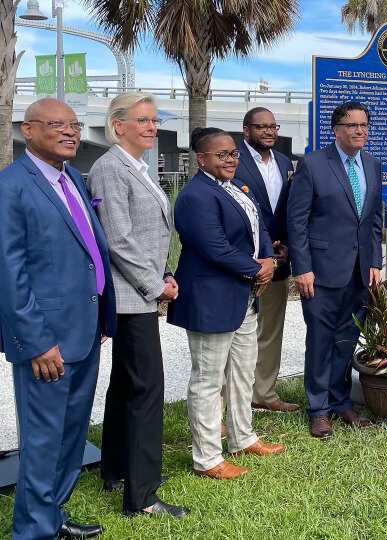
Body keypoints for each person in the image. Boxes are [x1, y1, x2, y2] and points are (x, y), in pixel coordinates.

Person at [0, 98, 116, 540]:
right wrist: (35, 341)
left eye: (74, 125)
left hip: (84, 333)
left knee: (70, 436)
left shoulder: (73, 183)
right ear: (27, 130)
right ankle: (31, 532)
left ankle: (52, 517)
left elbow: (87, 254)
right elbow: (9, 274)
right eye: (57, 125)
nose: (70, 132)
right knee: (44, 439)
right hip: (46, 343)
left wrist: (100, 314)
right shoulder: (11, 186)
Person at [86, 93, 188, 518]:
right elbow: (119, 240)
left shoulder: (138, 168)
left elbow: (151, 235)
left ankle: (117, 469)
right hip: (130, 299)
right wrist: (155, 285)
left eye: (154, 120)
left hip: (141, 292)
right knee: (146, 391)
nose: (151, 127)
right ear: (118, 125)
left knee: (127, 387)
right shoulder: (111, 168)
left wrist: (164, 271)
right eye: (142, 120)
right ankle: (142, 496)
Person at [168, 128, 285, 480]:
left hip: (244, 296)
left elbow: (259, 229)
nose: (231, 159)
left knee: (242, 371)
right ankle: (206, 458)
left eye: (234, 153)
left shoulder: (235, 189)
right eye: (222, 155)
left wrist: (269, 260)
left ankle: (242, 437)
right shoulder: (195, 197)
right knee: (207, 380)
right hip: (211, 299)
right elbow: (215, 247)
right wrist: (259, 269)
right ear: (201, 159)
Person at [287, 101, 383, 439]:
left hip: (359, 272)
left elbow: (373, 219)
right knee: (321, 340)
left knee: (346, 339)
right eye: (352, 125)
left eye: (365, 124)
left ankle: (341, 401)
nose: (360, 130)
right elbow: (296, 221)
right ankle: (318, 409)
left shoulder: (373, 164)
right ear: (336, 129)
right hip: (321, 271)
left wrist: (375, 262)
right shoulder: (313, 164)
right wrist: (302, 267)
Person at [235, 107, 299, 413]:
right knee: (235, 332)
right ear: (246, 130)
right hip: (243, 260)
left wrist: (284, 245)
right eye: (262, 127)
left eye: (273, 126)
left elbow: (286, 210)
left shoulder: (285, 162)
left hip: (277, 259)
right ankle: (230, 397)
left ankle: (264, 393)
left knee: (271, 328)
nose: (269, 132)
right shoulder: (232, 160)